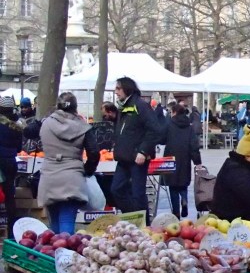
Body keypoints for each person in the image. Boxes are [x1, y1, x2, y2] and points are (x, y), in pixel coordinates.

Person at [37, 93, 100, 233]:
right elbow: (94, 152)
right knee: (67, 219)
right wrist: (88, 170)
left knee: (53, 220)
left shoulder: (46, 123)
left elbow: (29, 132)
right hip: (72, 177)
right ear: (75, 107)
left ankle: (53, 252)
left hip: (49, 175)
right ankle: (66, 252)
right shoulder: (83, 127)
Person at [111, 77, 163, 221]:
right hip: (123, 158)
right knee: (116, 189)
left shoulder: (140, 106)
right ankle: (133, 216)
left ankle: (143, 224)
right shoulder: (123, 107)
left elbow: (155, 130)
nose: (116, 92)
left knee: (138, 194)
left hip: (137, 158)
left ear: (127, 89)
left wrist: (143, 151)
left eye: (118, 89)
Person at [162, 102, 202, 219]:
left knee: (172, 185)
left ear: (174, 112)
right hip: (185, 157)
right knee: (183, 183)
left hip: (170, 157)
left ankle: (176, 213)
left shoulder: (169, 125)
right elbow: (194, 145)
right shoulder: (189, 127)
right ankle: (184, 200)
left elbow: (162, 139)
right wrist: (197, 162)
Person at [0, 97, 22, 232]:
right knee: (9, 197)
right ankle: (12, 233)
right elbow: (19, 148)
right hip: (11, 162)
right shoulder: (17, 126)